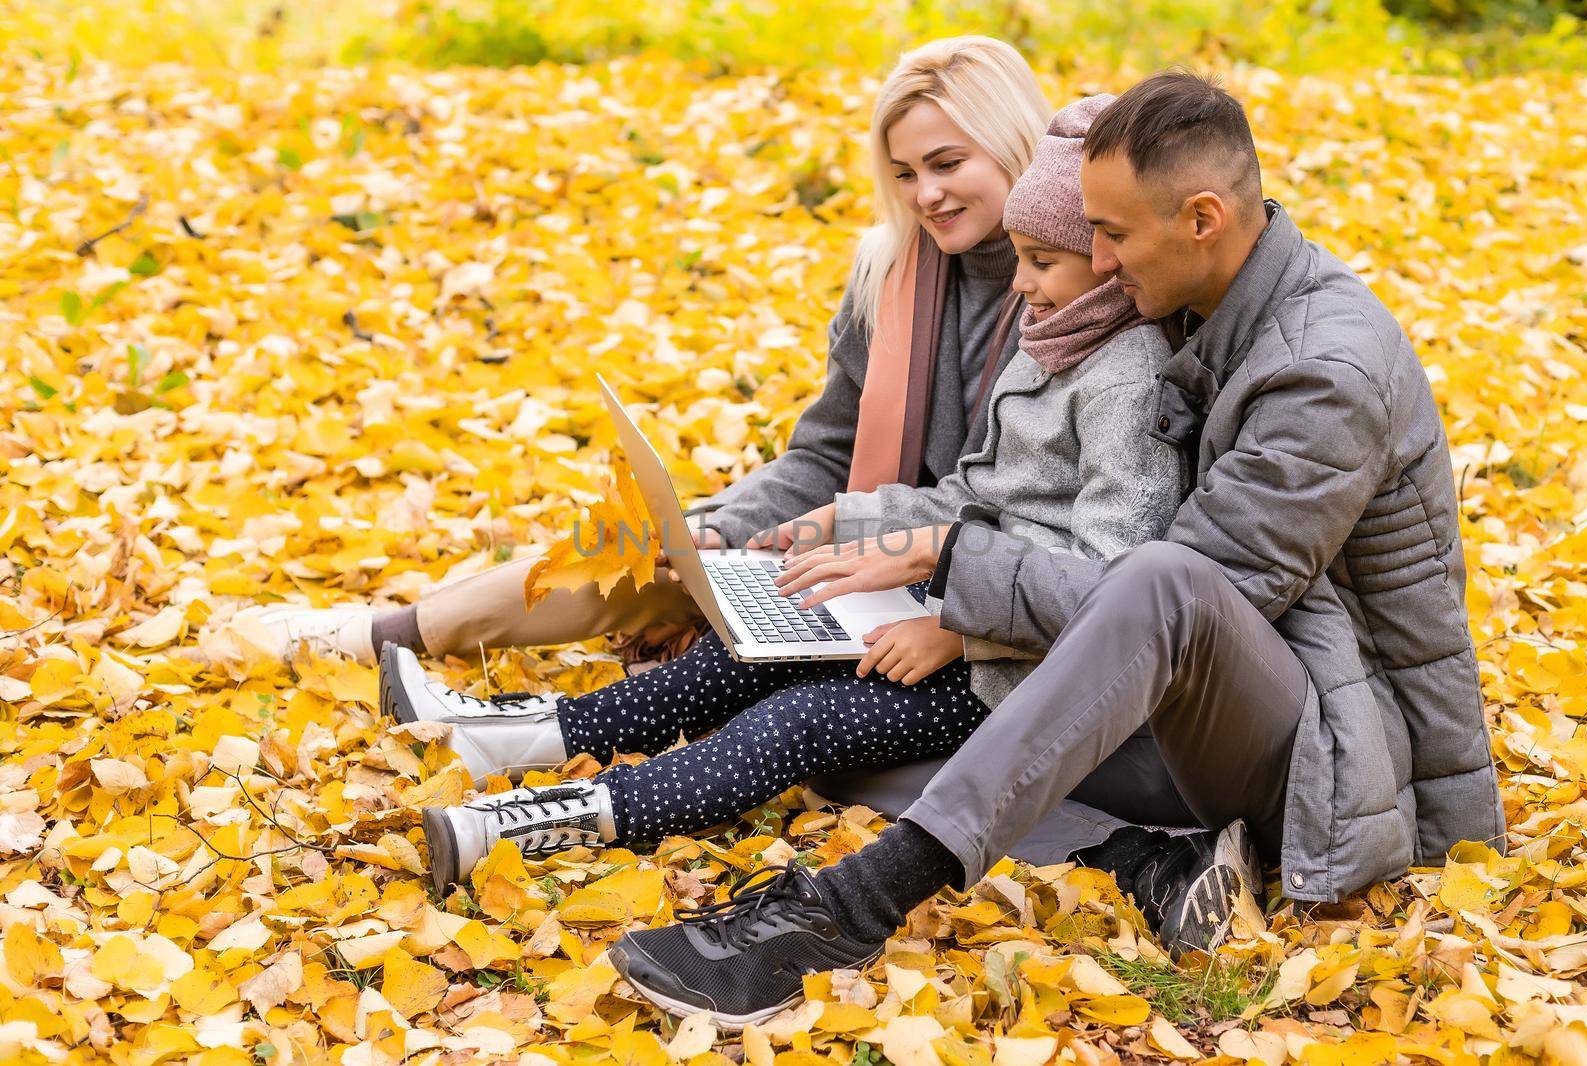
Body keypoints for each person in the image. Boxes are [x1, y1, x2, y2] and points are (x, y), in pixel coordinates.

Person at [602, 70, 1507, 1028]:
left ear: (1203, 217)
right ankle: (1145, 859)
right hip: (1214, 709)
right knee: (860, 739)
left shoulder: (1322, 370)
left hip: (1334, 747)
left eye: (1112, 235)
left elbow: (1177, 608)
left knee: (1165, 581)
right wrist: (883, 538)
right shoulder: (1207, 305)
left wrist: (949, 564)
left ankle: (848, 910)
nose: (1101, 262)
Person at [409, 95, 1187, 899]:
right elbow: (969, 496)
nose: (1019, 282)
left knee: (798, 722)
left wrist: (957, 634)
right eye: (1018, 259)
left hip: (1011, 674)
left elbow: (1107, 581)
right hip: (952, 603)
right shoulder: (1050, 343)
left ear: (1103, 261)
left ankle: (537, 824)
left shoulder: (1126, 380)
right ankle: (516, 739)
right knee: (739, 658)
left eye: (1041, 263)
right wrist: (848, 524)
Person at [225, 35, 1049, 668]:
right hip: (840, 550)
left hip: (949, 585)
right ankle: (390, 632)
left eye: (947, 163)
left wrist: (822, 536)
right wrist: (724, 531)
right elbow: (826, 452)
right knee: (651, 553)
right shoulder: (892, 270)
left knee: (701, 606)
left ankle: (400, 635)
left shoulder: (1068, 291)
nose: (926, 195)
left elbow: (1035, 508)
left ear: (1011, 142)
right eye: (904, 173)